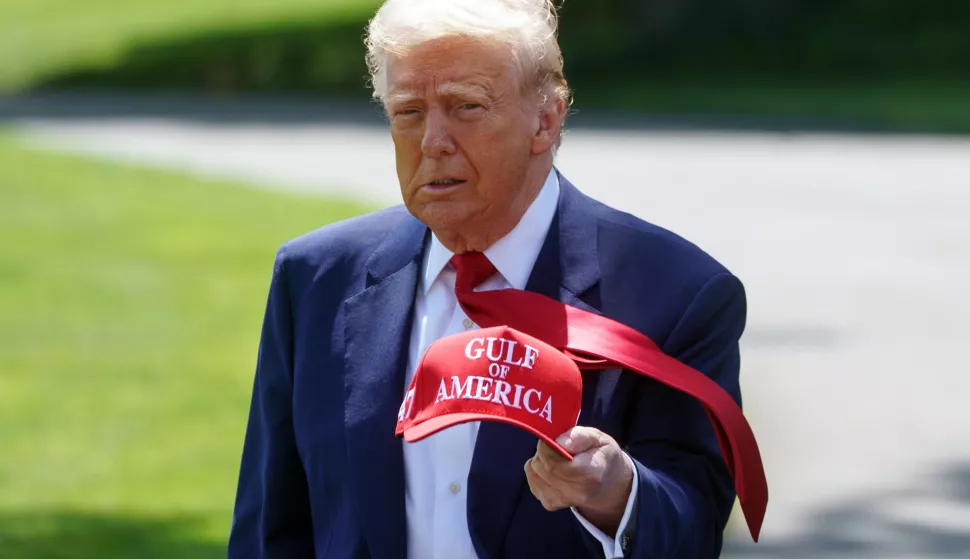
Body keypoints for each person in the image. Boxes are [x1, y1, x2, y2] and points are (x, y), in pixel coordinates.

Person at [228, 0, 750, 557]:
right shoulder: (315, 280)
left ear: (545, 121)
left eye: (465, 106)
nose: (433, 140)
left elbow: (692, 527)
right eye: (407, 111)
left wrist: (619, 495)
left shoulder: (675, 293)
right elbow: (271, 530)